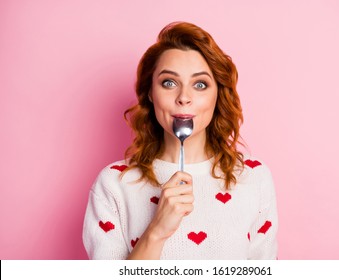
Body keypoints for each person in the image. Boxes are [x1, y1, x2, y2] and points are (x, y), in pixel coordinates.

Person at [82, 21, 278, 260]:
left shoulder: (253, 178)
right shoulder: (114, 184)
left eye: (200, 84)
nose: (184, 97)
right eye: (169, 83)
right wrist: (157, 230)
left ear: (218, 95)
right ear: (150, 94)